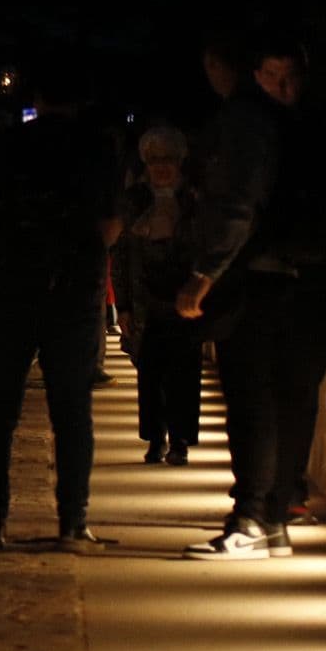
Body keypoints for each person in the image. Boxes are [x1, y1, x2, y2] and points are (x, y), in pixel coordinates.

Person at [178, 39, 326, 560]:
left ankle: (252, 516)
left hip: (262, 281)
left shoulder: (248, 122)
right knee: (294, 399)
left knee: (255, 399)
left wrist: (203, 275)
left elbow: (238, 203)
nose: (283, 87)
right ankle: (277, 516)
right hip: (315, 278)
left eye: (290, 76)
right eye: (275, 76)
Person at [0, 61, 123, 553]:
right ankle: (72, 522)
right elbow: (111, 224)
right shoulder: (98, 148)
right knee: (72, 411)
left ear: (38, 96)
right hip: (72, 289)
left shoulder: (6, 143)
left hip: (7, 285)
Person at [118, 126, 203, 466]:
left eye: (168, 160)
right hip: (147, 297)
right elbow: (122, 255)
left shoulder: (193, 200)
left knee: (184, 371)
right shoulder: (135, 201)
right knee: (150, 372)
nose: (162, 167)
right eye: (155, 161)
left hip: (183, 295)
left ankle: (180, 439)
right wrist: (123, 304)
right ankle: (156, 437)